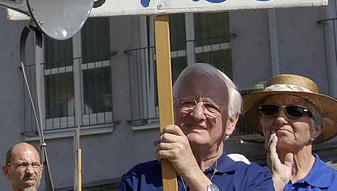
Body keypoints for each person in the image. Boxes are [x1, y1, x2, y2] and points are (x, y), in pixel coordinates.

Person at [119, 62, 274, 191]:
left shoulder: (253, 178)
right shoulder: (139, 180)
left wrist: (190, 170)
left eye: (211, 106)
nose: (197, 114)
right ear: (171, 112)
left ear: (231, 123)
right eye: (187, 102)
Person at [242, 73, 337, 190]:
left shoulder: (333, 183)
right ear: (261, 125)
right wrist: (274, 184)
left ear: (316, 129)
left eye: (295, 111)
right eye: (269, 110)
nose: (280, 119)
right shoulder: (247, 181)